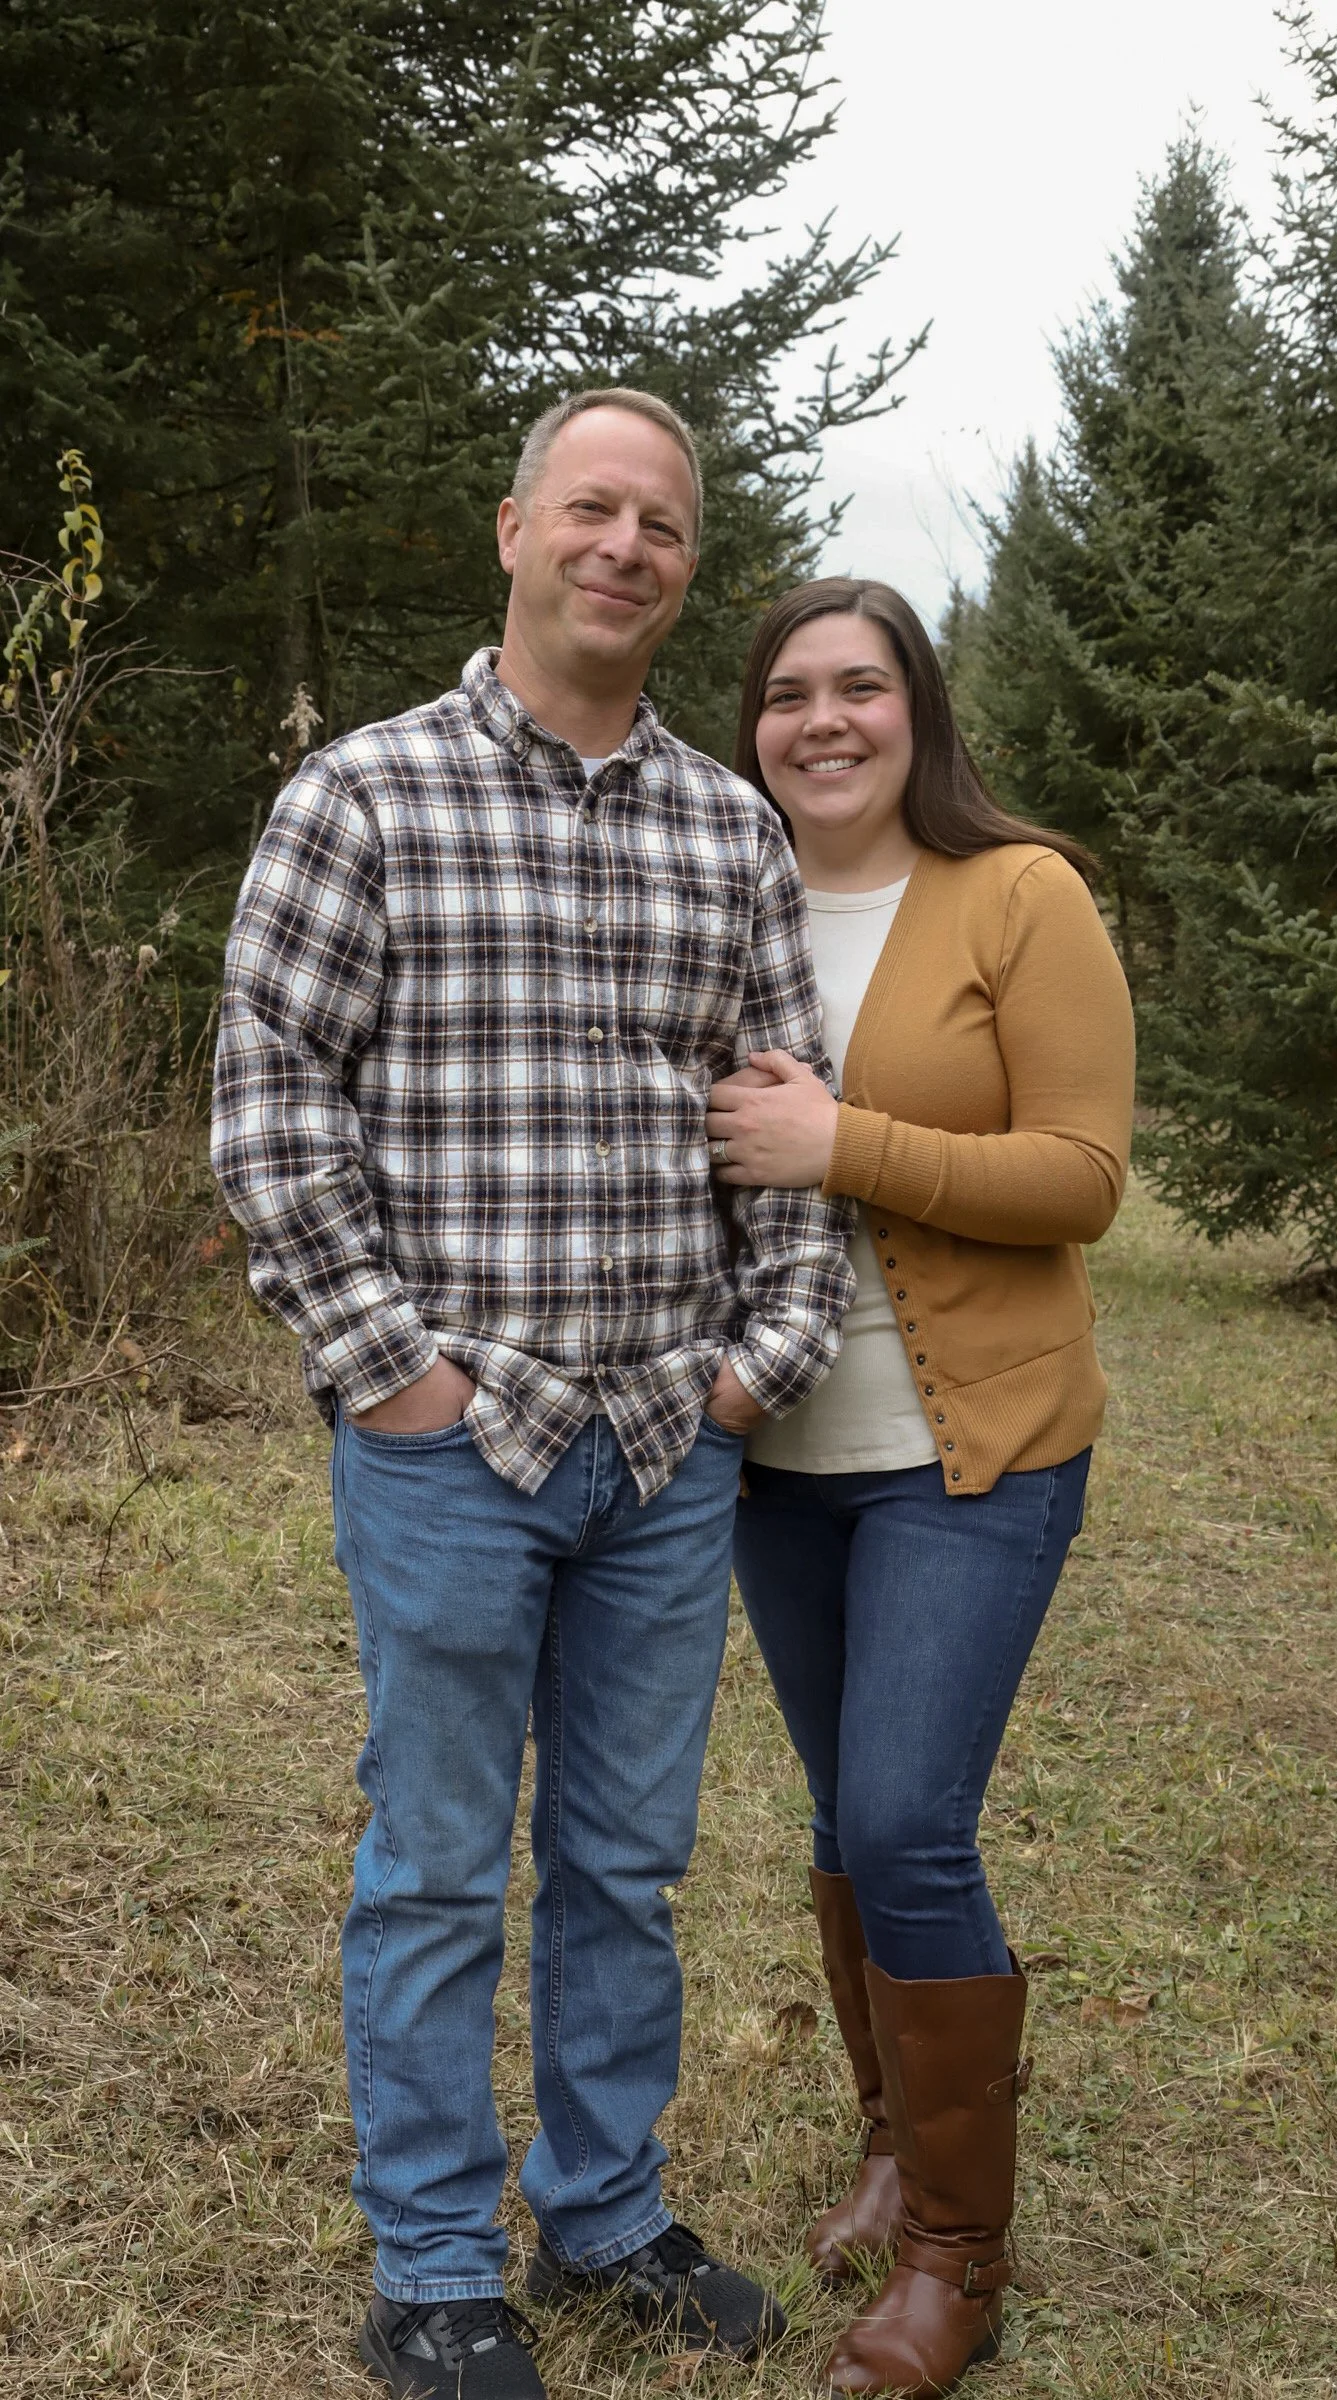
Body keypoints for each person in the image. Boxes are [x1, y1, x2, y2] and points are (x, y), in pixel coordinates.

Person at [212, 392, 856, 2400]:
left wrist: (756, 1372)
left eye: (660, 522)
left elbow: (786, 1126)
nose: (624, 545)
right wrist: (385, 1368)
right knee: (428, 1859)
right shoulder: (363, 797)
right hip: (449, 1447)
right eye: (591, 506)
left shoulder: (722, 829)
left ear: (682, 568)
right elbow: (267, 1105)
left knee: (620, 1863)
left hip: (665, 1447)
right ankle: (431, 2265)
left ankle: (597, 2213)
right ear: (513, 529)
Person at [705, 578, 1135, 2397]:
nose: (824, 721)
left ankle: (964, 2253)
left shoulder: (1016, 893)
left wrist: (839, 1145)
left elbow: (1084, 1175)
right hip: (768, 1450)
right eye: (790, 692)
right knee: (836, 1812)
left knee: (903, 1821)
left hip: (974, 1453)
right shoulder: (720, 891)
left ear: (918, 710)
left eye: (861, 687)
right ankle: (895, 2134)